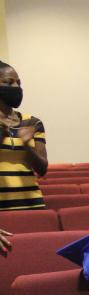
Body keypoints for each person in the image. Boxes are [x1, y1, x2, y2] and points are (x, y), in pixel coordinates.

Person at [0, 60, 47, 212]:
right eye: (8, 82)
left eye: (18, 83)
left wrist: (26, 145)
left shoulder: (32, 122)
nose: (16, 87)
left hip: (32, 203)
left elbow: (42, 169)